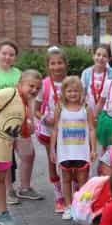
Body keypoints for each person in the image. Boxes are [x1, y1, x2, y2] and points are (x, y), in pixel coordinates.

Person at [0, 70, 42, 225]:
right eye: (31, 86)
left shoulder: (27, 105)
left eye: (37, 88)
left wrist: (29, 128)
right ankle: (3, 214)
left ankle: (3, 214)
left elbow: (22, 130)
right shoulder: (11, 93)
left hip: (4, 149)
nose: (34, 90)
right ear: (20, 85)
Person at [0, 39, 42, 203]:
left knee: (28, 155)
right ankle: (9, 191)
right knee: (5, 157)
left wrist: (30, 120)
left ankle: (25, 187)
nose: (7, 57)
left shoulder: (19, 74)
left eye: (11, 54)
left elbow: (28, 98)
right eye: (4, 53)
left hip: (18, 122)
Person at [50, 76, 97, 220]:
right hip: (65, 152)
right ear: (64, 92)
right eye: (69, 91)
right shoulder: (60, 108)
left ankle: (80, 207)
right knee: (66, 179)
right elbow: (55, 130)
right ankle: (68, 206)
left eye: (76, 91)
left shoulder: (86, 108)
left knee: (82, 180)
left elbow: (91, 129)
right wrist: (53, 149)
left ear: (81, 92)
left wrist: (93, 148)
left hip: (81, 152)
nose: (73, 94)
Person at [34, 47, 69, 212]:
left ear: (65, 64)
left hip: (69, 130)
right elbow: (35, 109)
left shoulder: (71, 82)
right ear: (48, 66)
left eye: (60, 63)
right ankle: (58, 195)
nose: (57, 67)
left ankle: (72, 193)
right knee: (52, 160)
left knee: (70, 161)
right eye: (53, 63)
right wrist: (44, 118)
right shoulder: (44, 84)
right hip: (50, 130)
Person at [81, 44, 112, 113]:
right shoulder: (86, 73)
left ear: (109, 59)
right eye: (98, 55)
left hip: (106, 112)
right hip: (88, 111)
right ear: (93, 56)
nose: (101, 58)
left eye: (104, 56)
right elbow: (83, 93)